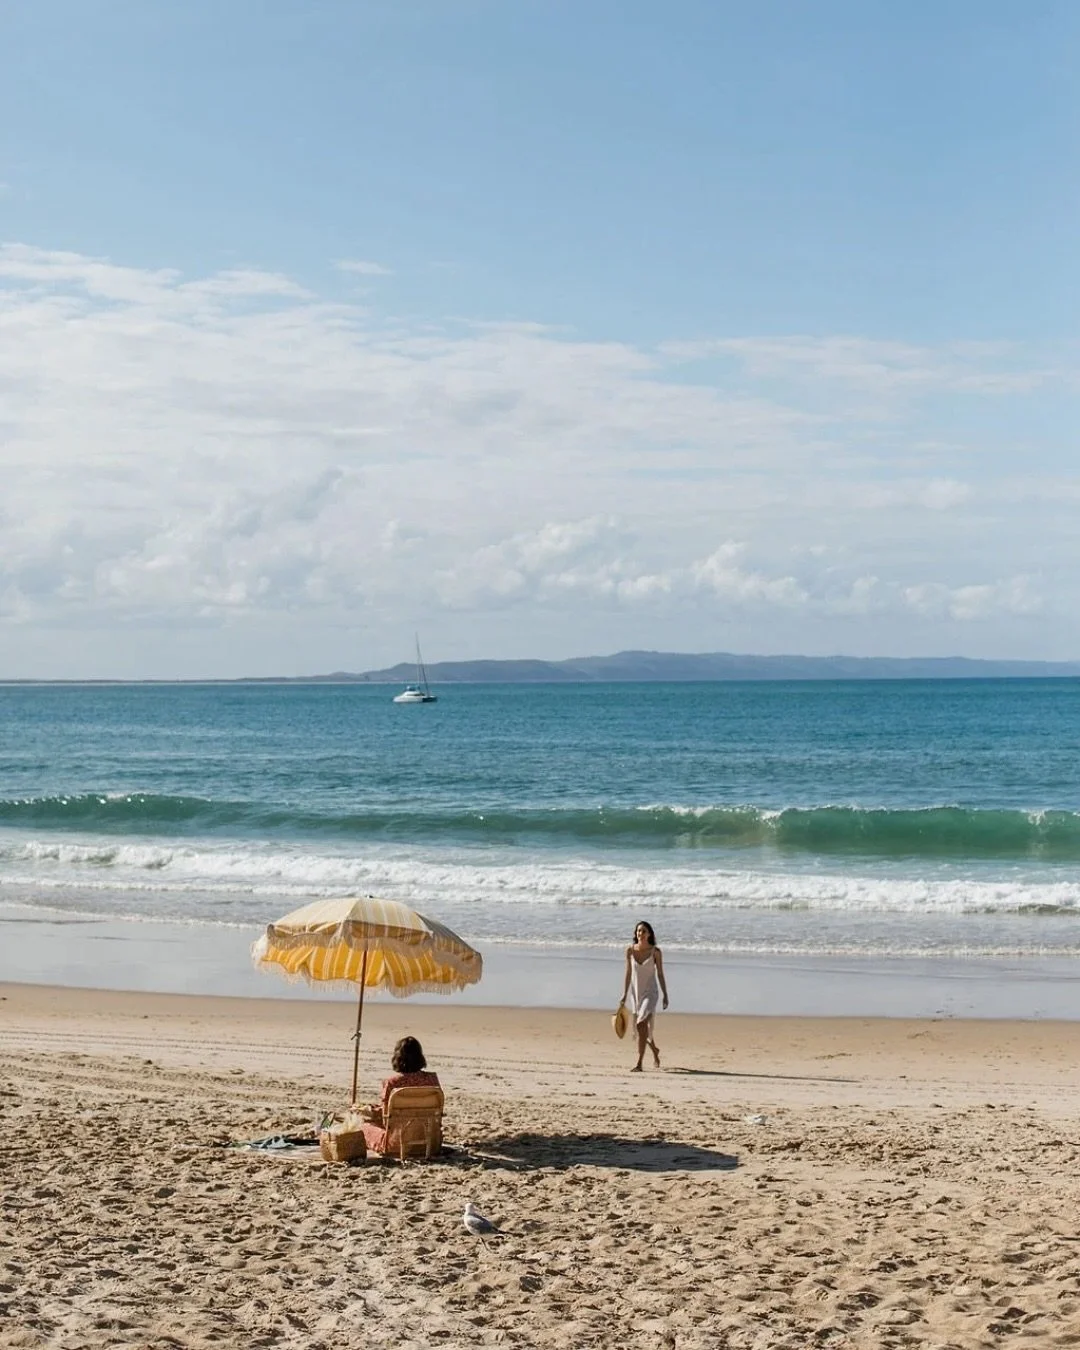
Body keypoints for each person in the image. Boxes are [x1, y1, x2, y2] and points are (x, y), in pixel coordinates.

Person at [360, 1035, 440, 1152]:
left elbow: (386, 1118)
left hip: (397, 1143)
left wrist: (368, 1111)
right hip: (430, 1141)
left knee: (364, 1127)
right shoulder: (432, 1080)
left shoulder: (392, 1083)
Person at [619, 920, 669, 1071]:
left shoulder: (656, 952)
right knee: (641, 1028)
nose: (640, 934)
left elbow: (660, 974)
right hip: (636, 994)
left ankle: (639, 1063)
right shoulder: (630, 950)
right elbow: (628, 973)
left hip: (651, 993)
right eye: (638, 931)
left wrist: (665, 994)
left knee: (641, 1024)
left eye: (644, 931)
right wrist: (624, 994)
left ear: (649, 934)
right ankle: (654, 1050)